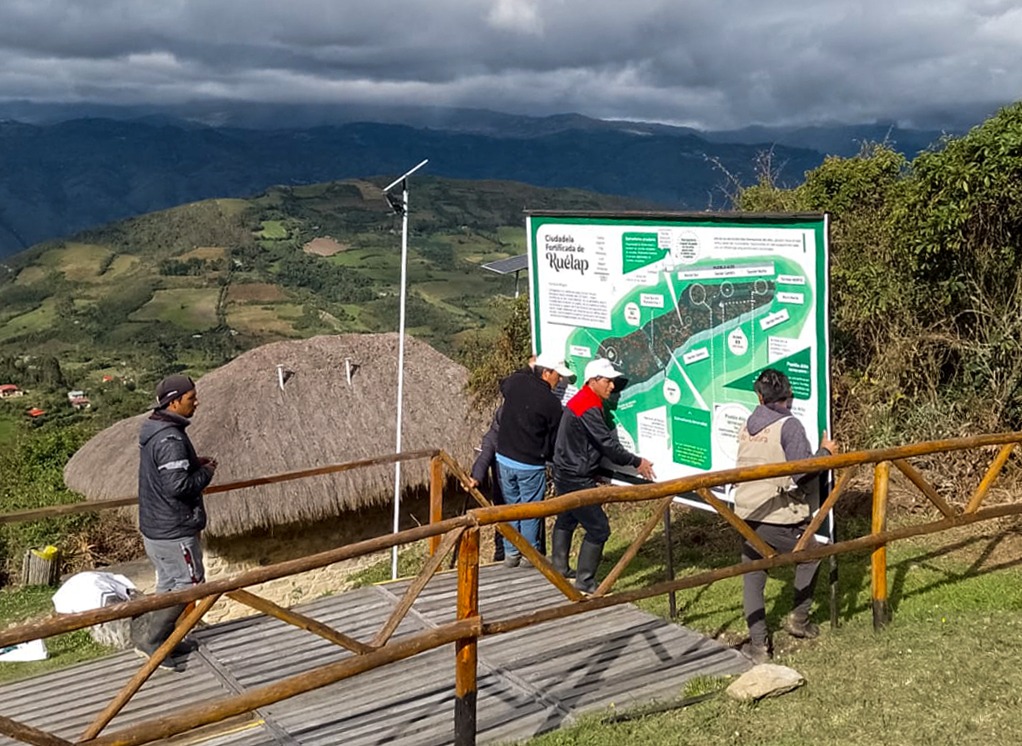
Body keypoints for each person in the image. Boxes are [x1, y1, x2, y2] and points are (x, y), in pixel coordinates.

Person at [733, 368, 838, 664]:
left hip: (746, 512)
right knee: (811, 555)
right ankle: (799, 620)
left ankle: (758, 645)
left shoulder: (748, 424)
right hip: (778, 515)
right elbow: (803, 471)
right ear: (788, 396)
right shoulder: (789, 426)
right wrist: (826, 453)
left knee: (753, 572)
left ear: (759, 396)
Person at [131, 374, 217, 670]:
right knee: (190, 584)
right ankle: (153, 641)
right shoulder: (170, 438)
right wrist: (208, 472)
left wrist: (194, 463)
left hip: (156, 526)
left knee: (169, 584)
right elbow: (178, 486)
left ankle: (165, 638)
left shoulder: (155, 428)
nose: (196, 402)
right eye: (191, 398)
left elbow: (171, 473)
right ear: (175, 401)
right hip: (174, 529)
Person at [551, 358, 655, 593]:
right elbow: (607, 445)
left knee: (568, 517)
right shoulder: (588, 406)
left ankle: (559, 567)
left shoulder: (581, 400)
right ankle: (585, 581)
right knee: (599, 529)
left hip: (567, 469)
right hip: (575, 476)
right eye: (608, 382)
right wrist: (636, 461)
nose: (612, 387)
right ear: (593, 381)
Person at [495, 351, 573, 567]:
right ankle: (530, 555)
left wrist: (528, 368)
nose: (560, 380)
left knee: (511, 506)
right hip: (529, 463)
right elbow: (553, 439)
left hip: (504, 458)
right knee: (531, 509)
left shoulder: (516, 383)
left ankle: (511, 553)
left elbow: (505, 383)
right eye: (558, 375)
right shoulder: (551, 404)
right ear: (546, 373)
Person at [468, 406, 506, 561]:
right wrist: (475, 477)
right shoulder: (492, 436)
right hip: (502, 491)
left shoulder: (520, 435)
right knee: (503, 526)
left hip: (518, 491)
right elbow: (483, 458)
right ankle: (501, 556)